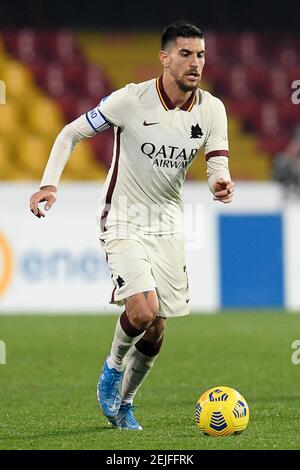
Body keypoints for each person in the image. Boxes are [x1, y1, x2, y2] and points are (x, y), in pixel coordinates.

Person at [30, 21, 235, 431]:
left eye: (200, 55)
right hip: (122, 216)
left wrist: (220, 183)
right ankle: (111, 370)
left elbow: (218, 164)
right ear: (164, 58)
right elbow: (71, 133)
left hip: (168, 222)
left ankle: (125, 404)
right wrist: (49, 183)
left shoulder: (212, 109)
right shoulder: (131, 100)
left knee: (157, 328)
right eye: (186, 54)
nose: (195, 63)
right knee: (142, 310)